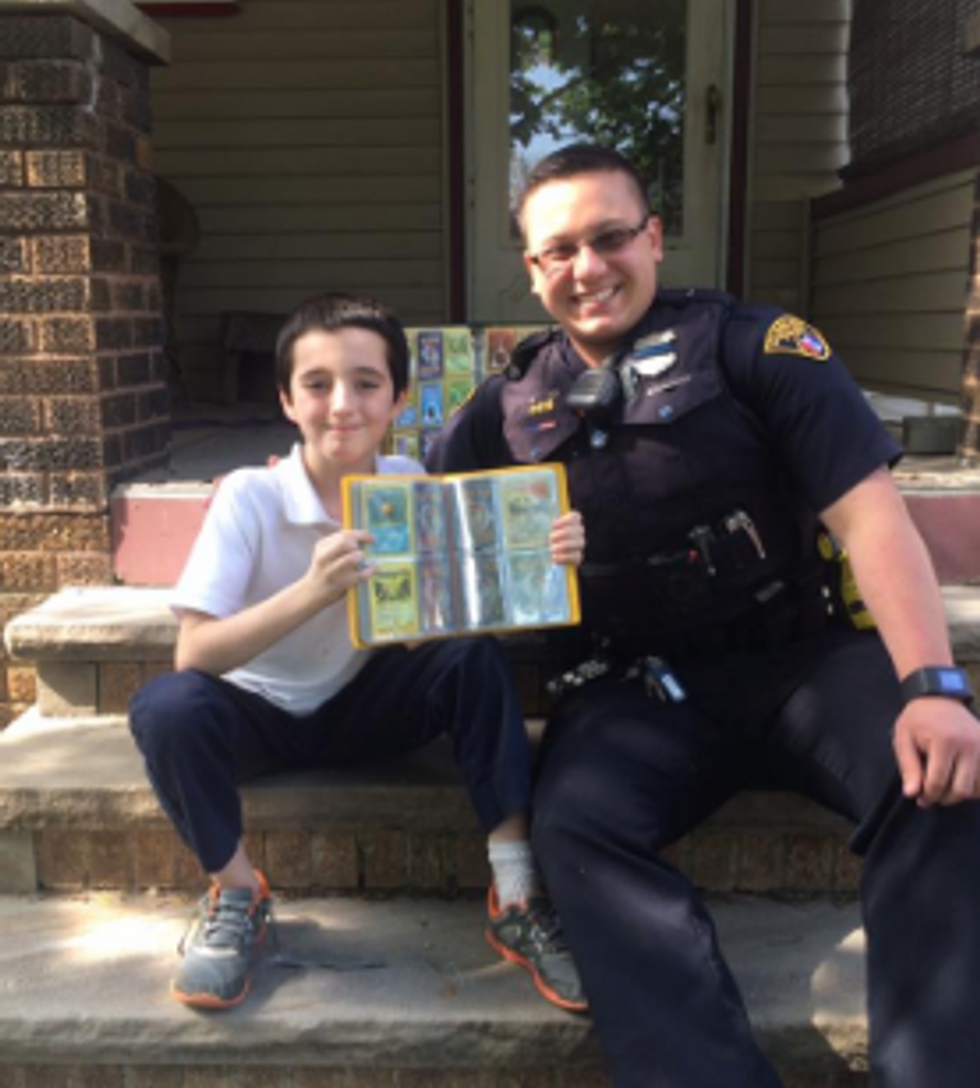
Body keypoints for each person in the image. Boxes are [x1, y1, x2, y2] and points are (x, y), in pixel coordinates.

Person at [427, 144, 980, 1087]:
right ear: (532, 267)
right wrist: (308, 492)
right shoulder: (507, 403)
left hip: (802, 660)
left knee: (941, 780)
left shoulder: (755, 348)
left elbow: (871, 519)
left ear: (654, 239)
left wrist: (932, 685)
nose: (587, 268)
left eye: (610, 238)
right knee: (576, 828)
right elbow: (422, 527)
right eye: (559, 250)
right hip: (635, 692)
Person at [129, 292, 586, 1013]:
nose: (342, 404)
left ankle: (518, 893)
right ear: (287, 400)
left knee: (474, 659)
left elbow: (433, 631)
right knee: (166, 706)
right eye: (317, 384)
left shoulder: (407, 485)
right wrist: (313, 591)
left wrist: (541, 556)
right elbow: (196, 654)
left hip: (364, 707)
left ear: (399, 399)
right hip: (258, 716)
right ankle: (238, 893)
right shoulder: (250, 496)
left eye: (366, 383)